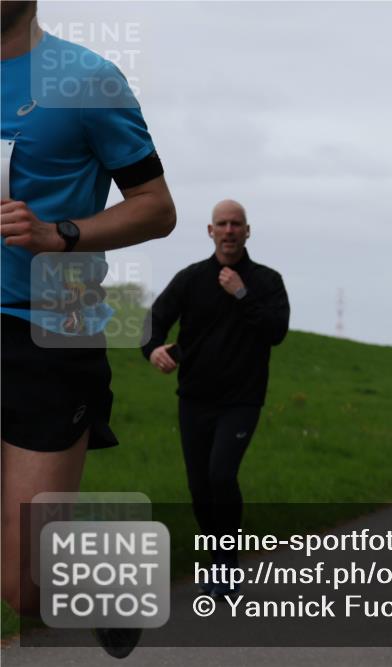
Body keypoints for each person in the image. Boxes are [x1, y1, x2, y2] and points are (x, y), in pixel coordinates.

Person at [1, 1, 176, 657]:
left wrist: (59, 234)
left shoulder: (86, 79)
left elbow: (156, 209)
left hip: (49, 329)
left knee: (23, 585)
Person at [141, 199, 289, 596]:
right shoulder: (191, 279)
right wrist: (152, 349)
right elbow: (152, 321)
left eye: (235, 224)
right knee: (199, 485)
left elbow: (276, 331)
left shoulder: (266, 281)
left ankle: (226, 565)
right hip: (194, 397)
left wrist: (242, 295)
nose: (228, 230)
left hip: (242, 399)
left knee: (221, 475)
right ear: (210, 231)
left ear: (247, 231)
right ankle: (217, 555)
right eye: (221, 224)